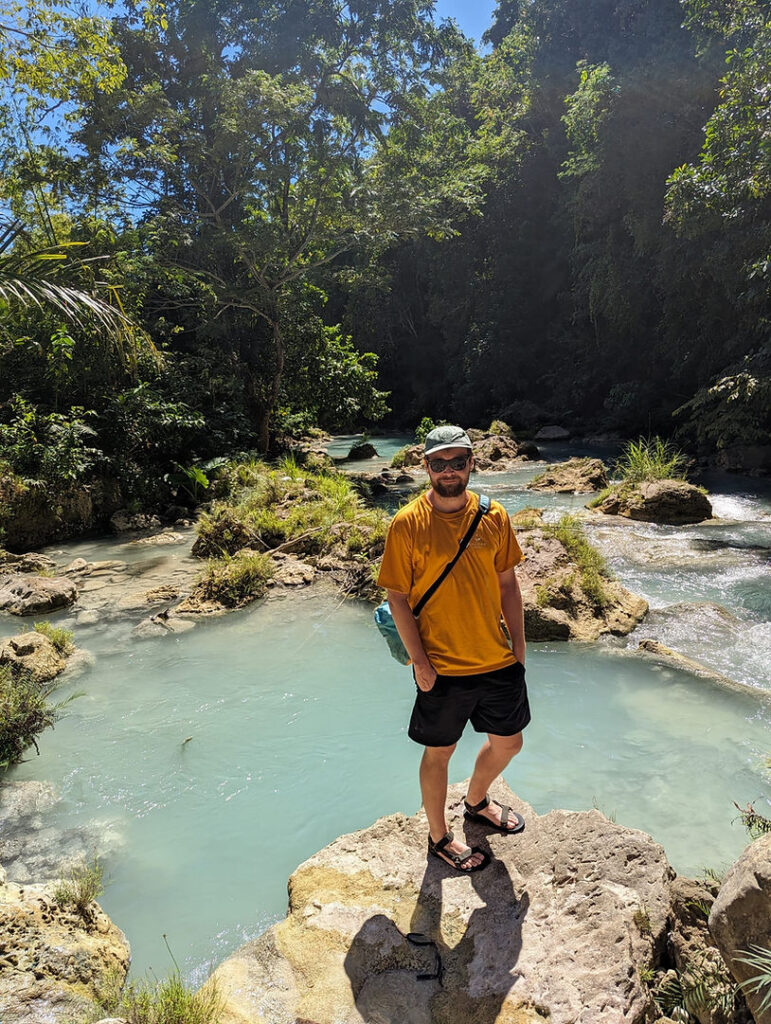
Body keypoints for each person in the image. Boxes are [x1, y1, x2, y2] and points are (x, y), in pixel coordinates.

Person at [377, 425, 530, 872]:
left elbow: (508, 583)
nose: (448, 472)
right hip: (441, 666)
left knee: (509, 743)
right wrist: (419, 662)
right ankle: (439, 836)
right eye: (439, 463)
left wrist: (519, 646)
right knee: (438, 752)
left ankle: (476, 801)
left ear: (470, 464)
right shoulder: (407, 523)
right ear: (426, 467)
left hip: (496, 656)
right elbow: (397, 598)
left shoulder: (494, 516)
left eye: (457, 462)